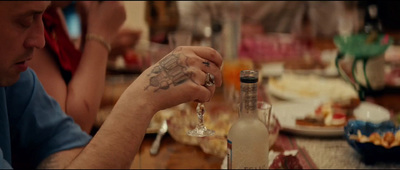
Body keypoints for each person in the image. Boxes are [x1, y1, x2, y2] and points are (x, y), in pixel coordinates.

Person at [0, 1, 222, 169]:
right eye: (25, 21)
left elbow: (70, 150)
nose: (40, 40)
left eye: (41, 17)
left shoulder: (14, 81)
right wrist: (142, 97)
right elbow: (79, 122)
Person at [28, 1, 140, 134]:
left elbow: (72, 82)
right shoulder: (32, 25)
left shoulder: (53, 12)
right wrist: (100, 36)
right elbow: (69, 129)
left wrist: (89, 29)